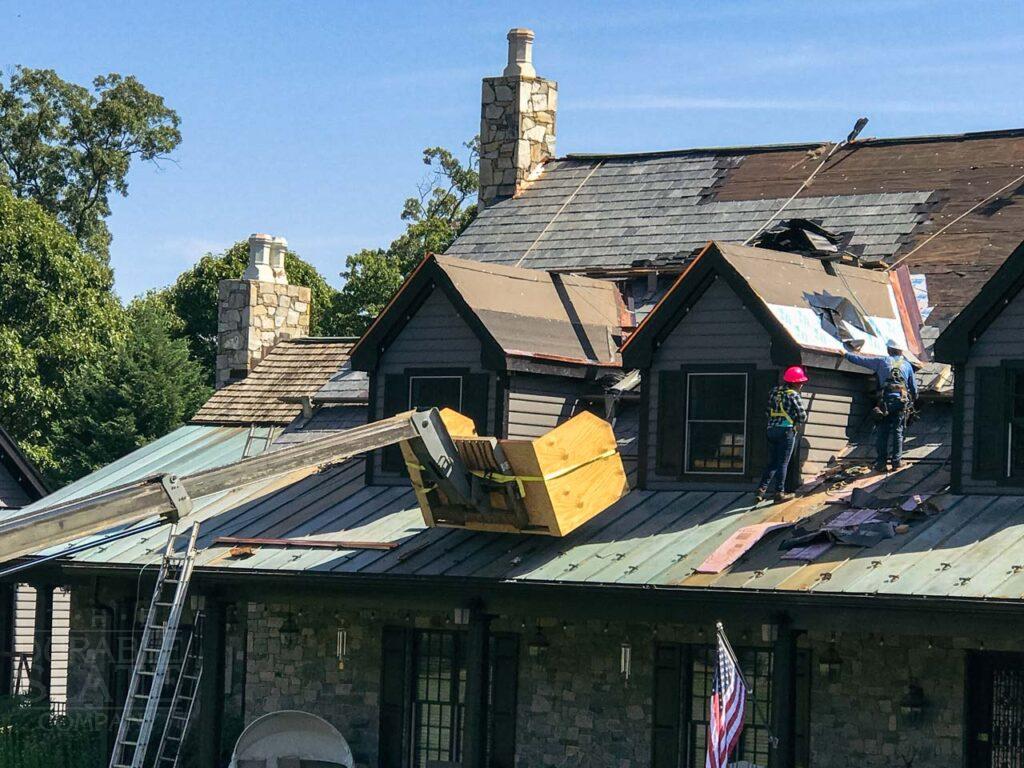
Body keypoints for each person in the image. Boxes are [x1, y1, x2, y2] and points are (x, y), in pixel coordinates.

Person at [843, 338, 918, 472]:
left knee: (882, 432)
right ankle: (896, 462)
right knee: (898, 432)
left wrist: (845, 354)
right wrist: (913, 400)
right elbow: (913, 389)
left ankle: (881, 463)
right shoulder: (907, 366)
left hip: (885, 402)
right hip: (901, 402)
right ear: (901, 351)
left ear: (889, 350)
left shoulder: (882, 361)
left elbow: (860, 360)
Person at [756, 366, 808, 504]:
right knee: (783, 462)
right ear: (795, 382)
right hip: (786, 431)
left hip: (771, 430)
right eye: (801, 382)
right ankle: (779, 492)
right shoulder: (793, 394)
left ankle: (761, 490)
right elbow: (803, 415)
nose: (802, 384)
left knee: (772, 462)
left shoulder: (774, 391)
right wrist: (796, 424)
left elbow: (767, 411)